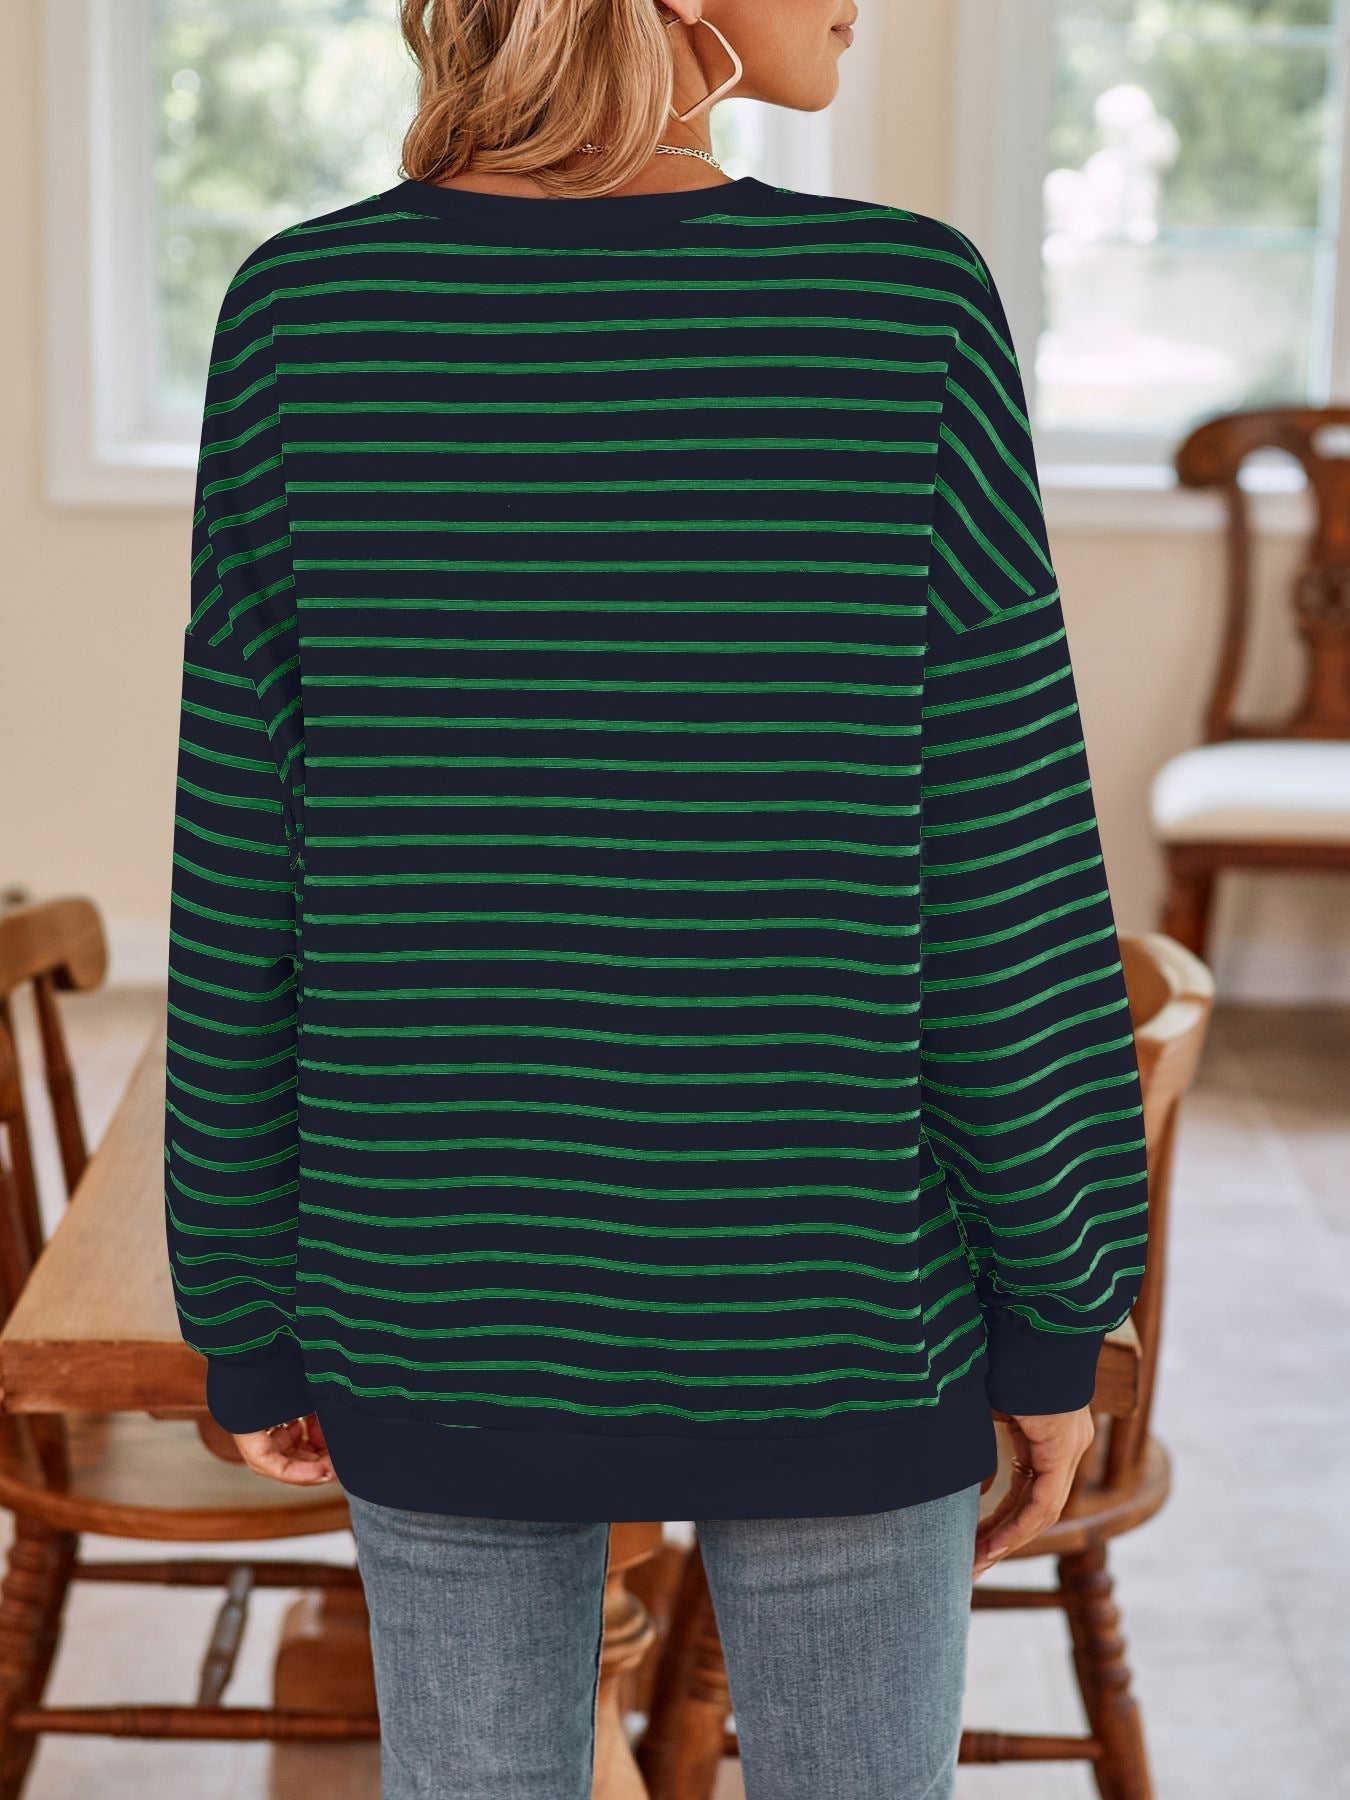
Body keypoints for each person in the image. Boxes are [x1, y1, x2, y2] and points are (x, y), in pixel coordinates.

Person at [161, 2, 1149, 1795]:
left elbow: (246, 863)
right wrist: (1051, 1306)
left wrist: (244, 1305)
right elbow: (999, 860)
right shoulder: (899, 307)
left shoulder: (306, 312)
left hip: (433, 1282)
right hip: (836, 1293)